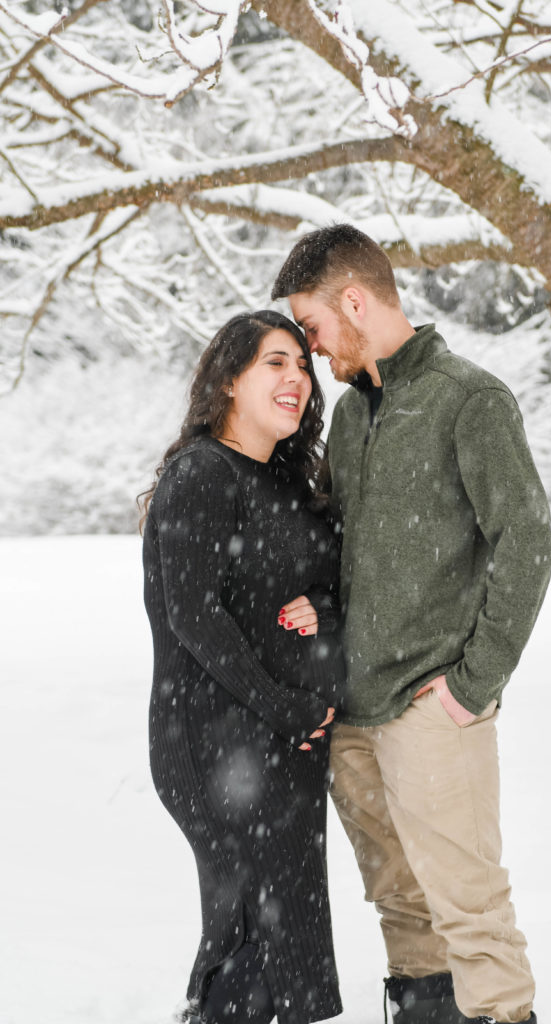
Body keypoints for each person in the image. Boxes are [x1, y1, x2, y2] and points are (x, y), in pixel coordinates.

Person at [271, 225, 551, 1024]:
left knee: (469, 904)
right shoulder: (350, 417)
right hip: (352, 712)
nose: (311, 348)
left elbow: (527, 542)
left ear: (354, 302)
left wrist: (472, 685)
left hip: (432, 707)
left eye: (313, 326)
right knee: (398, 901)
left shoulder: (468, 399)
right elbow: (337, 548)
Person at [140, 310, 345, 1024]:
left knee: (287, 934)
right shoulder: (202, 474)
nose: (296, 378)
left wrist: (324, 607)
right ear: (229, 380)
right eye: (274, 362)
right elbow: (193, 616)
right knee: (253, 930)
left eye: (302, 365)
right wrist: (286, 707)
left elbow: (328, 578)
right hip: (215, 740)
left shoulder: (288, 483)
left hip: (285, 743)